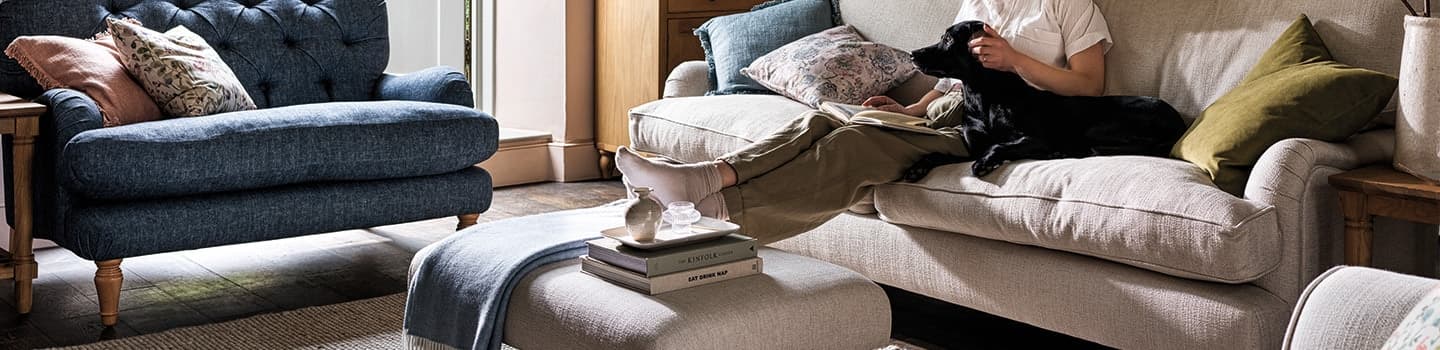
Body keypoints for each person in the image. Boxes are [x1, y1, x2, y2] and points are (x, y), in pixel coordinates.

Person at [617, 0, 1114, 243]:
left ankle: (714, 213)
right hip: (949, 113)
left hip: (1005, 125)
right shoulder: (979, 1)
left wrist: (1014, 60)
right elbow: (952, 81)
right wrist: (910, 111)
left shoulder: (1068, 4)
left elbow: (1090, 86)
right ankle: (702, 178)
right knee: (824, 121)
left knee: (856, 143)